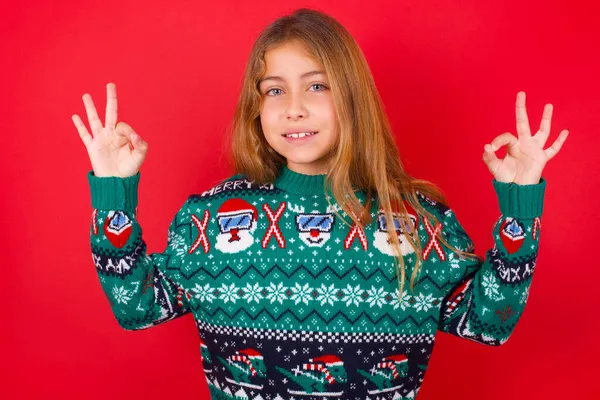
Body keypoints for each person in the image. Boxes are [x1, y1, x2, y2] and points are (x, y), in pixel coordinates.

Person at [72, 8, 568, 400]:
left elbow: (489, 322)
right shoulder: (209, 220)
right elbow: (136, 307)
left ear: (352, 97)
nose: (294, 108)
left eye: (316, 85)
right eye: (274, 90)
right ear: (257, 107)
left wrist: (520, 204)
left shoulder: (420, 224)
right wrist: (114, 191)